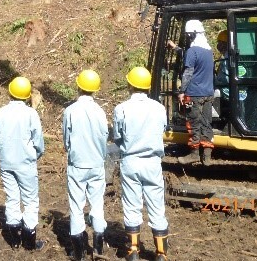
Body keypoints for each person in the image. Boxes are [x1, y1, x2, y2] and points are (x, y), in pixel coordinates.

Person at [113, 66, 170, 261]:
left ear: (130, 84)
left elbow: (117, 137)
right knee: (156, 206)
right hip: (152, 162)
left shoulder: (121, 109)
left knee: (131, 205)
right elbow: (162, 130)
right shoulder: (159, 108)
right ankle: (161, 253)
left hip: (130, 161)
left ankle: (133, 250)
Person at [0, 76, 46, 251]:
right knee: (30, 201)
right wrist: (35, 155)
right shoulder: (31, 113)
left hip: (6, 162)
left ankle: (14, 240)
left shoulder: (1, 112)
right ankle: (30, 243)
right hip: (25, 162)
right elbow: (38, 140)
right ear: (27, 96)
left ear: (10, 92)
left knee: (12, 198)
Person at [62, 69, 108, 260]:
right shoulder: (100, 111)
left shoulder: (70, 111)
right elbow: (105, 136)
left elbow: (66, 140)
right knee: (97, 204)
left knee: (76, 206)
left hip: (77, 164)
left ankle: (78, 253)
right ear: (95, 90)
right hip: (96, 163)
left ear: (79, 86)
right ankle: (98, 248)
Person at [168, 19, 215, 165]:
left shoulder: (192, 51)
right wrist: (176, 48)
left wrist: (182, 91)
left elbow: (188, 72)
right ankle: (207, 156)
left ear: (192, 35)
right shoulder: (208, 51)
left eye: (189, 35)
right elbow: (193, 57)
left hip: (193, 94)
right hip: (208, 93)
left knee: (193, 123)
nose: (188, 37)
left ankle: (194, 153)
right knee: (206, 123)